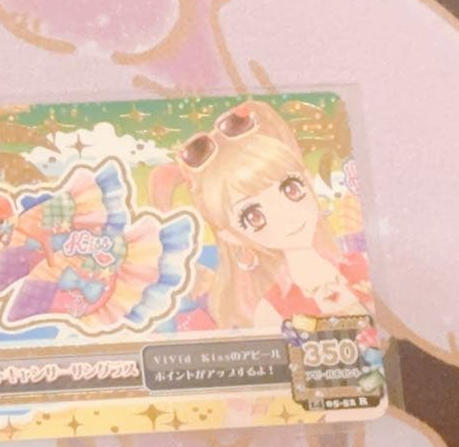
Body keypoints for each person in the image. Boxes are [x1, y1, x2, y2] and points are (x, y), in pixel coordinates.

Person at [153, 100, 373, 329]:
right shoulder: (271, 312)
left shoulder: (362, 266)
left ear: (307, 180)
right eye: (254, 216)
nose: (286, 216)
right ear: (230, 234)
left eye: (291, 189)